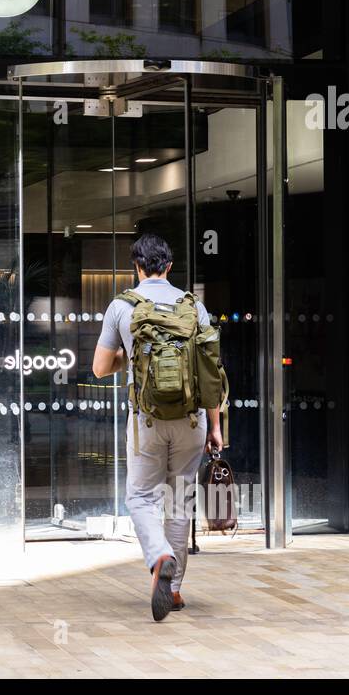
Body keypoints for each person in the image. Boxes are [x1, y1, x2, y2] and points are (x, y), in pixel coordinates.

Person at [92, 234, 223, 621]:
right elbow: (211, 374)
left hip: (146, 421)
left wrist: (129, 360)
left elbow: (99, 368)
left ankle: (158, 556)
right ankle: (176, 588)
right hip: (192, 419)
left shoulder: (121, 307)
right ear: (168, 267)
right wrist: (216, 427)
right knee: (179, 500)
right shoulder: (193, 307)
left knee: (140, 498)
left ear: (137, 267)